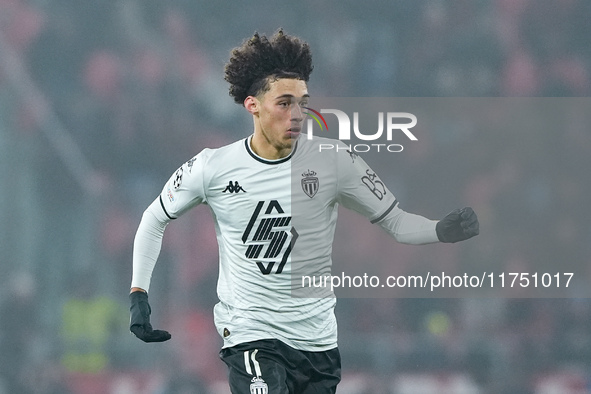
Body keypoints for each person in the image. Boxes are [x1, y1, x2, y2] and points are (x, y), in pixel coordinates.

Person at [129, 29, 479, 394]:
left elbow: (396, 222)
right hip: (253, 336)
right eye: (284, 103)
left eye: (302, 102)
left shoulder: (335, 161)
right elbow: (153, 219)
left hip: (317, 342)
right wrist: (139, 294)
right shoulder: (212, 167)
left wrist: (442, 230)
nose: (297, 114)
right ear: (253, 105)